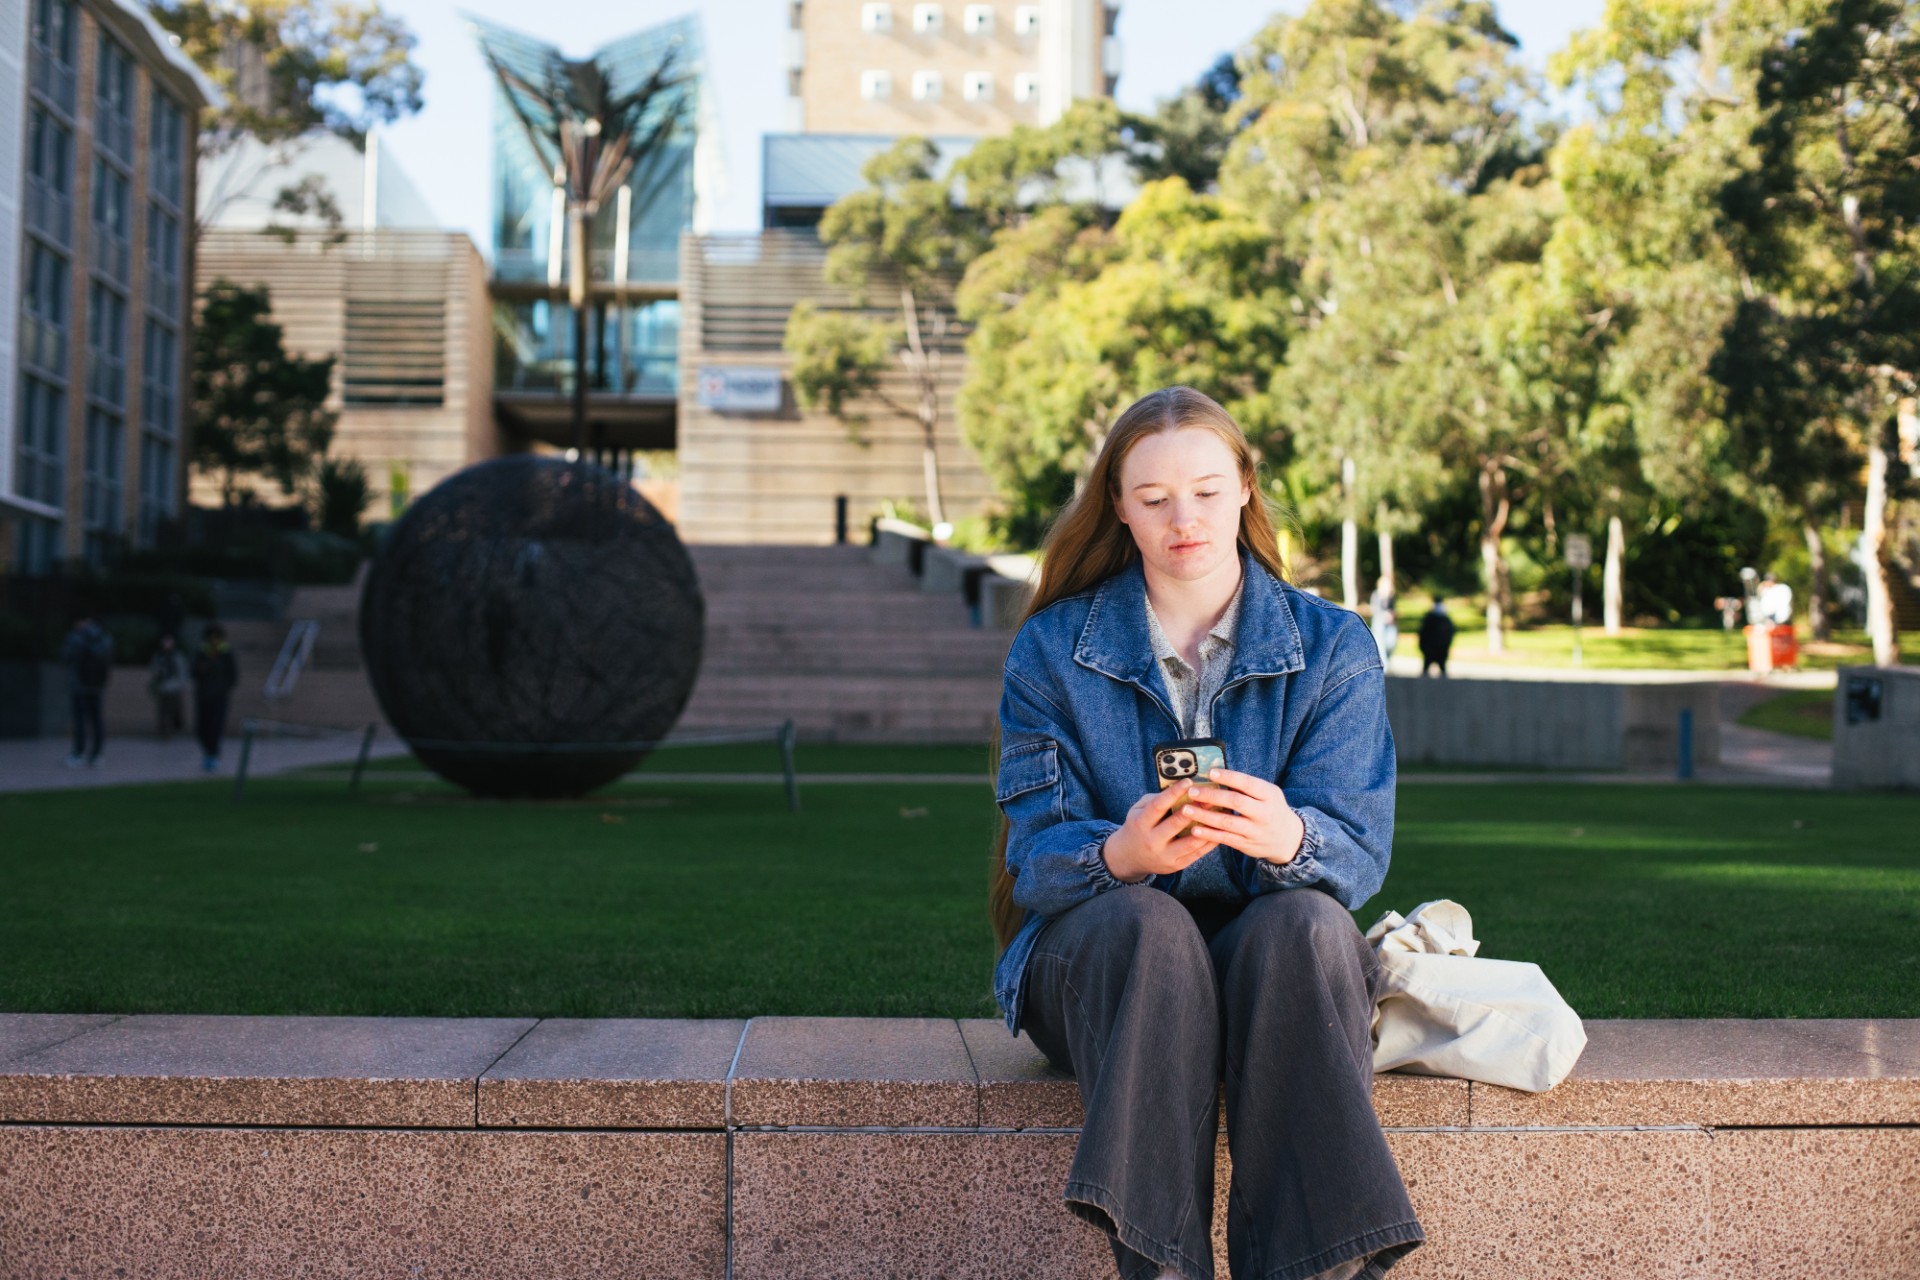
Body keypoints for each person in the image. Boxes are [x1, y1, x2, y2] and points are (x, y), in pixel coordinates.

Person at [989, 386, 1422, 1280]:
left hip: (1277, 972)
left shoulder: (1334, 647)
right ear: (1119, 507)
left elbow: (1358, 854)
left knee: (1307, 926)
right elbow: (1033, 863)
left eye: (1206, 491)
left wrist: (1289, 836)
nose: (1182, 518)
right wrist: (1120, 857)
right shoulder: (1050, 650)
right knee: (1152, 929)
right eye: (1152, 499)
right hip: (1105, 966)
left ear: (1245, 491)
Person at [61, 612, 115, 767]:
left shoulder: (76, 637)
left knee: (80, 721)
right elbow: (110, 659)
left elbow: (65, 656)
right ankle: (97, 754)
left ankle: (79, 754)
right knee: (97, 720)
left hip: (79, 686)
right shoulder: (105, 638)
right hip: (98, 686)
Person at [190, 624, 239, 773]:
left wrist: (224, 688)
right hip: (204, 696)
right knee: (202, 728)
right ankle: (208, 752)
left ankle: (213, 755)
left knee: (216, 726)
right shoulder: (201, 652)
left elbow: (233, 675)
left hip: (219, 696)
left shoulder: (226, 653)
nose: (214, 640)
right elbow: (193, 672)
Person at [148, 633, 190, 741]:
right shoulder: (159, 657)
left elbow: (182, 672)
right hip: (162, 688)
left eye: (169, 642)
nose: (167, 644)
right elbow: (154, 671)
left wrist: (181, 685)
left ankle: (173, 730)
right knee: (163, 711)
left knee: (174, 711)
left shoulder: (177, 656)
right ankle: (164, 732)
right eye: (165, 642)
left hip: (174, 688)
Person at [1417, 598, 1454, 678]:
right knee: (1433, 666)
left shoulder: (1438, 619)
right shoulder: (1443, 619)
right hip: (1433, 647)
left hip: (1437, 647)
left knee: (1438, 665)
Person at [1368, 576, 1398, 666]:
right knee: (1380, 643)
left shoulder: (1391, 596)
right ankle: (1385, 665)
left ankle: (1387, 660)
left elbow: (1393, 609)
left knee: (1391, 642)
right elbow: (1375, 609)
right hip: (1379, 622)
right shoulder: (1376, 595)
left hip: (1390, 623)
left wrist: (1392, 615)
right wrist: (1384, 615)